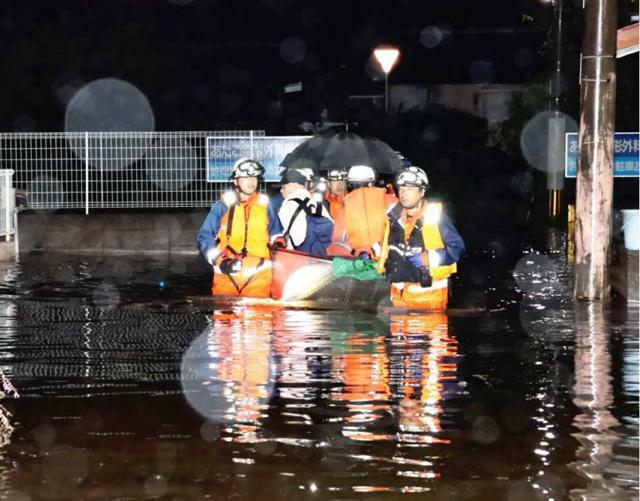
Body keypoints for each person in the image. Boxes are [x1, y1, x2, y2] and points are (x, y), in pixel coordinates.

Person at [377, 166, 465, 309]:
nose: (404, 194)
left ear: (421, 191)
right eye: (402, 189)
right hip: (398, 303)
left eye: (410, 189)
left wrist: (429, 259)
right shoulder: (392, 218)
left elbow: (457, 248)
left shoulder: (436, 217)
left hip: (429, 303)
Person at [196, 158, 284, 298]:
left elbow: (276, 233)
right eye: (246, 177)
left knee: (260, 316)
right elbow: (204, 237)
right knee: (225, 317)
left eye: (254, 177)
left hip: (259, 278)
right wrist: (221, 261)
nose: (251, 181)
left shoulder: (266, 206)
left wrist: (279, 242)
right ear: (235, 181)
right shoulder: (222, 206)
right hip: (228, 276)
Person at [328, 164, 398, 258]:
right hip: (386, 263)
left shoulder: (347, 208)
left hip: (359, 264)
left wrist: (355, 253)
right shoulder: (390, 202)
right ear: (371, 183)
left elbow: (337, 243)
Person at [278, 167, 334, 257]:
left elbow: (277, 236)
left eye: (284, 187)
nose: (281, 191)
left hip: (298, 262)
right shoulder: (318, 204)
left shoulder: (288, 207)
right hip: (322, 260)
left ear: (294, 185)